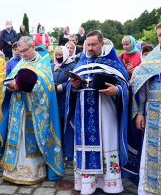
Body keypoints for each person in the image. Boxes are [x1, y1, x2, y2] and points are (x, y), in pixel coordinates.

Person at [64, 30, 129, 194]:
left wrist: (117, 90)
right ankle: (86, 184)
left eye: (93, 45)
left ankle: (109, 183)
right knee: (85, 144)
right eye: (88, 45)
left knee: (107, 142)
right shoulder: (82, 61)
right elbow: (69, 87)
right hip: (83, 114)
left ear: (102, 43)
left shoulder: (113, 62)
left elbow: (126, 85)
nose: (90, 48)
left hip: (105, 111)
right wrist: (73, 86)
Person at [0, 36, 64, 184]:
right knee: (17, 138)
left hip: (34, 113)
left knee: (31, 139)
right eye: (20, 52)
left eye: (25, 51)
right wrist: (9, 86)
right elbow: (8, 80)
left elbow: (47, 87)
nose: (22, 54)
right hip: (18, 110)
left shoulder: (43, 64)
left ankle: (33, 172)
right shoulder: (21, 63)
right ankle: (13, 170)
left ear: (32, 47)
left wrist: (24, 86)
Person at [131, 23, 161, 195]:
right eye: (159, 35)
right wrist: (140, 112)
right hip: (155, 112)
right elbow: (141, 86)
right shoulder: (152, 59)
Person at [51, 46, 75, 146]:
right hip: (54, 97)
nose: (58, 57)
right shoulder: (52, 65)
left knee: (64, 122)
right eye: (56, 55)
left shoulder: (71, 65)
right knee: (55, 123)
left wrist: (62, 87)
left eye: (60, 55)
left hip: (65, 97)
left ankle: (66, 148)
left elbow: (72, 81)